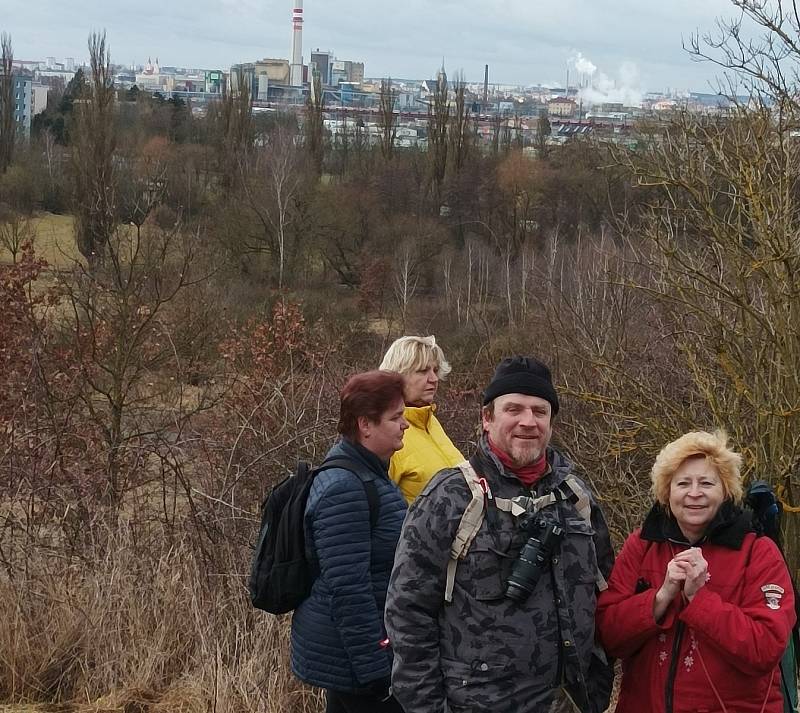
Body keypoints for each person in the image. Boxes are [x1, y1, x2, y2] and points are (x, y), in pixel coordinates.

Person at [385, 356, 614, 713]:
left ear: (552, 422)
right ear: (487, 418)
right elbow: (407, 613)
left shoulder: (575, 498)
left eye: (540, 411)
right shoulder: (449, 497)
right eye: (514, 409)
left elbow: (607, 597)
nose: (528, 422)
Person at [596, 430, 796, 713]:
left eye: (706, 483)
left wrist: (700, 600)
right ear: (667, 491)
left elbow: (765, 649)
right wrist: (660, 598)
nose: (694, 493)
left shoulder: (759, 552)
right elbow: (608, 636)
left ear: (726, 490)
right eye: (682, 483)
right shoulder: (641, 545)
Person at [290, 371, 409, 713]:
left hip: (353, 654)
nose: (405, 425)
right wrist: (378, 670)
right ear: (365, 425)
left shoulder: (369, 473)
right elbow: (348, 588)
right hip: (355, 658)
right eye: (396, 418)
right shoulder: (346, 487)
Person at [379, 335, 464, 503]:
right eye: (423, 371)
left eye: (435, 370)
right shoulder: (385, 432)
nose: (433, 378)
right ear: (397, 376)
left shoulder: (430, 421)